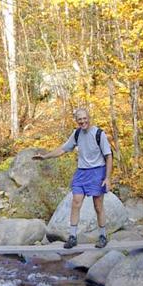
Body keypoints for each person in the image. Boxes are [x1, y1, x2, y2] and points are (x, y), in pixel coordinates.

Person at [32, 107, 113, 249]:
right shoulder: (76, 134)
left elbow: (108, 156)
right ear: (76, 121)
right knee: (75, 202)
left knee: (98, 206)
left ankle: (102, 236)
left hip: (97, 172)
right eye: (79, 119)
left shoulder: (99, 134)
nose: (82, 121)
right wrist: (45, 157)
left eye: (84, 118)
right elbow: (62, 149)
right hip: (81, 172)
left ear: (89, 118)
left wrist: (107, 178)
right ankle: (73, 236)